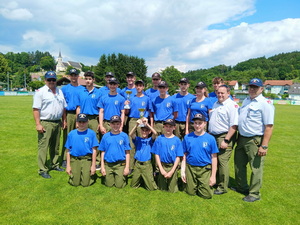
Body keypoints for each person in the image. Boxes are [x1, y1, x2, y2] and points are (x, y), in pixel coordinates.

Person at [234, 78, 274, 202]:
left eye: (255, 87)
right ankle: (242, 187)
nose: (252, 89)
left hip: (254, 140)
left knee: (256, 167)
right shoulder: (246, 100)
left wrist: (264, 146)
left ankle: (254, 193)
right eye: (251, 87)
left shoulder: (265, 103)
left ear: (261, 89)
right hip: (241, 138)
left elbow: (269, 126)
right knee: (239, 164)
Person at [32, 71, 66, 178]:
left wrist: (64, 120)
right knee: (43, 146)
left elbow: (63, 108)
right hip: (45, 122)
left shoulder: (60, 92)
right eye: (49, 80)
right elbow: (36, 109)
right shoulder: (40, 92)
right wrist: (38, 124)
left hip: (57, 122)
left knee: (55, 146)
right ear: (45, 80)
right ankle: (42, 169)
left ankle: (54, 164)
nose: (51, 82)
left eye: (53, 80)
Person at [208, 85, 239, 195]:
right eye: (218, 92)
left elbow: (234, 125)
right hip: (214, 136)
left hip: (224, 136)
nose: (220, 95)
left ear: (228, 93)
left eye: (222, 93)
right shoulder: (216, 103)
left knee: (222, 161)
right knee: (214, 159)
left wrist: (226, 140)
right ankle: (216, 181)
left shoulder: (232, 106)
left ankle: (222, 187)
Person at [181, 113, 218, 199]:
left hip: (204, 169)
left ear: (205, 123)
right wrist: (183, 171)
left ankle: (202, 184)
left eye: (200, 123)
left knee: (206, 195)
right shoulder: (187, 137)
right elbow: (184, 155)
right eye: (196, 123)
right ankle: (193, 183)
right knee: (190, 192)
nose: (197, 125)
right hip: (191, 168)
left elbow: (214, 157)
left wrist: (213, 176)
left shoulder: (210, 138)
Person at [125, 80, 152, 171]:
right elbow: (127, 112)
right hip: (133, 120)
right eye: (137, 85)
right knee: (132, 144)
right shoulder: (131, 98)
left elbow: (149, 111)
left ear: (143, 87)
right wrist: (126, 106)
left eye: (141, 85)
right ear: (135, 87)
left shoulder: (147, 98)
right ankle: (131, 166)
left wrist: (147, 121)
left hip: (143, 122)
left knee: (142, 143)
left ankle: (141, 164)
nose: (139, 87)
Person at [65, 113, 98, 187]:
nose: (82, 124)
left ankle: (89, 176)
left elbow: (94, 150)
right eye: (80, 122)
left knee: (85, 184)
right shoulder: (71, 134)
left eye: (84, 122)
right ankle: (76, 174)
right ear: (77, 122)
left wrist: (93, 165)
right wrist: (68, 165)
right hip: (75, 159)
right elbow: (68, 150)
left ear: (87, 122)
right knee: (75, 183)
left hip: (86, 159)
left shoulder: (91, 133)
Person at [151, 119, 183, 193]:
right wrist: (161, 169)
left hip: (172, 166)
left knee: (172, 191)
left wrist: (172, 171)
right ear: (164, 127)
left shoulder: (177, 140)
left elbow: (178, 157)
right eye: (166, 126)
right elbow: (156, 154)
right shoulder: (159, 139)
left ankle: (175, 181)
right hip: (162, 165)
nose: (168, 128)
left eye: (170, 127)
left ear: (174, 128)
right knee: (162, 189)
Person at [61, 68, 84, 168]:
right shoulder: (65, 89)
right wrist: (64, 120)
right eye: (72, 75)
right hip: (70, 114)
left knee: (80, 136)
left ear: (78, 76)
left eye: (75, 75)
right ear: (69, 76)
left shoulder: (82, 89)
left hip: (81, 115)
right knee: (68, 137)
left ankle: (78, 156)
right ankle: (65, 158)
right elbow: (63, 105)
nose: (73, 77)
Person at [99, 115, 131, 188]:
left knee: (119, 186)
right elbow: (102, 152)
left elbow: (128, 152)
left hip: (120, 164)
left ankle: (121, 176)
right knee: (108, 185)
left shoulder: (124, 136)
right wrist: (102, 167)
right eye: (113, 124)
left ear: (120, 124)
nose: (115, 126)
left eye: (117, 124)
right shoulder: (105, 136)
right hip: (108, 164)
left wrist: (127, 167)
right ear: (110, 124)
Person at [129, 118, 158, 191]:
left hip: (147, 165)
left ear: (149, 132)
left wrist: (147, 124)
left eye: (146, 130)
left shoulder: (150, 140)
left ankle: (145, 178)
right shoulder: (138, 139)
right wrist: (136, 125)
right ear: (140, 131)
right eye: (143, 130)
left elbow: (155, 133)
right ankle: (141, 179)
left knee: (151, 188)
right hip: (138, 164)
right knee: (133, 185)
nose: (144, 132)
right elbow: (130, 134)